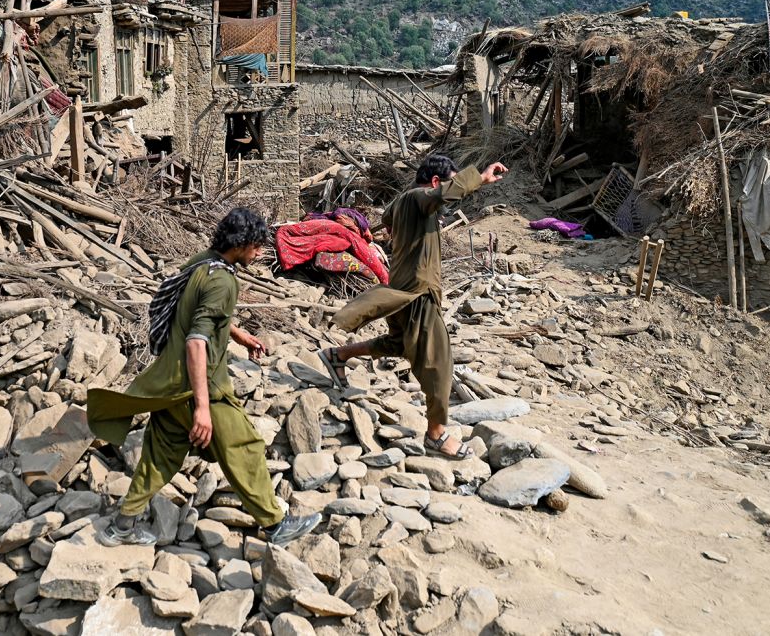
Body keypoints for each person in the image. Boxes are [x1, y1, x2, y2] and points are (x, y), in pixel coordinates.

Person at [87, 207, 321, 547]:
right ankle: (275, 524)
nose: (260, 251)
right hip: (201, 387)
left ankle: (121, 526)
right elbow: (197, 342)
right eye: (256, 245)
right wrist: (202, 408)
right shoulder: (224, 281)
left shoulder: (203, 262)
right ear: (240, 244)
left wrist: (237, 334)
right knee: (244, 446)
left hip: (168, 384)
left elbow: (197, 313)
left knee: (160, 455)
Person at [318, 155, 507, 459]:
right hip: (417, 293)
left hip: (401, 288)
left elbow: (389, 222)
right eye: (447, 181)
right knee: (439, 361)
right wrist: (480, 177)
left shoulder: (401, 203)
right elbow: (443, 194)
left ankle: (338, 355)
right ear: (434, 182)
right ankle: (435, 434)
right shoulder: (420, 198)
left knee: (399, 344)